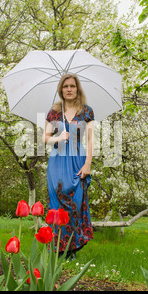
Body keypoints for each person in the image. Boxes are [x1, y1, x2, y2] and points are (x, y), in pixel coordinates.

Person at [43, 74, 94, 259]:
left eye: (72, 86)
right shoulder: (54, 111)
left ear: (77, 88)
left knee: (76, 202)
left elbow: (90, 139)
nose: (69, 89)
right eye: (66, 86)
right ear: (61, 89)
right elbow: (45, 138)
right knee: (57, 204)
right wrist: (58, 137)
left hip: (77, 161)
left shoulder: (86, 112)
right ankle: (57, 248)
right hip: (57, 161)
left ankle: (72, 247)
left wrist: (88, 163)